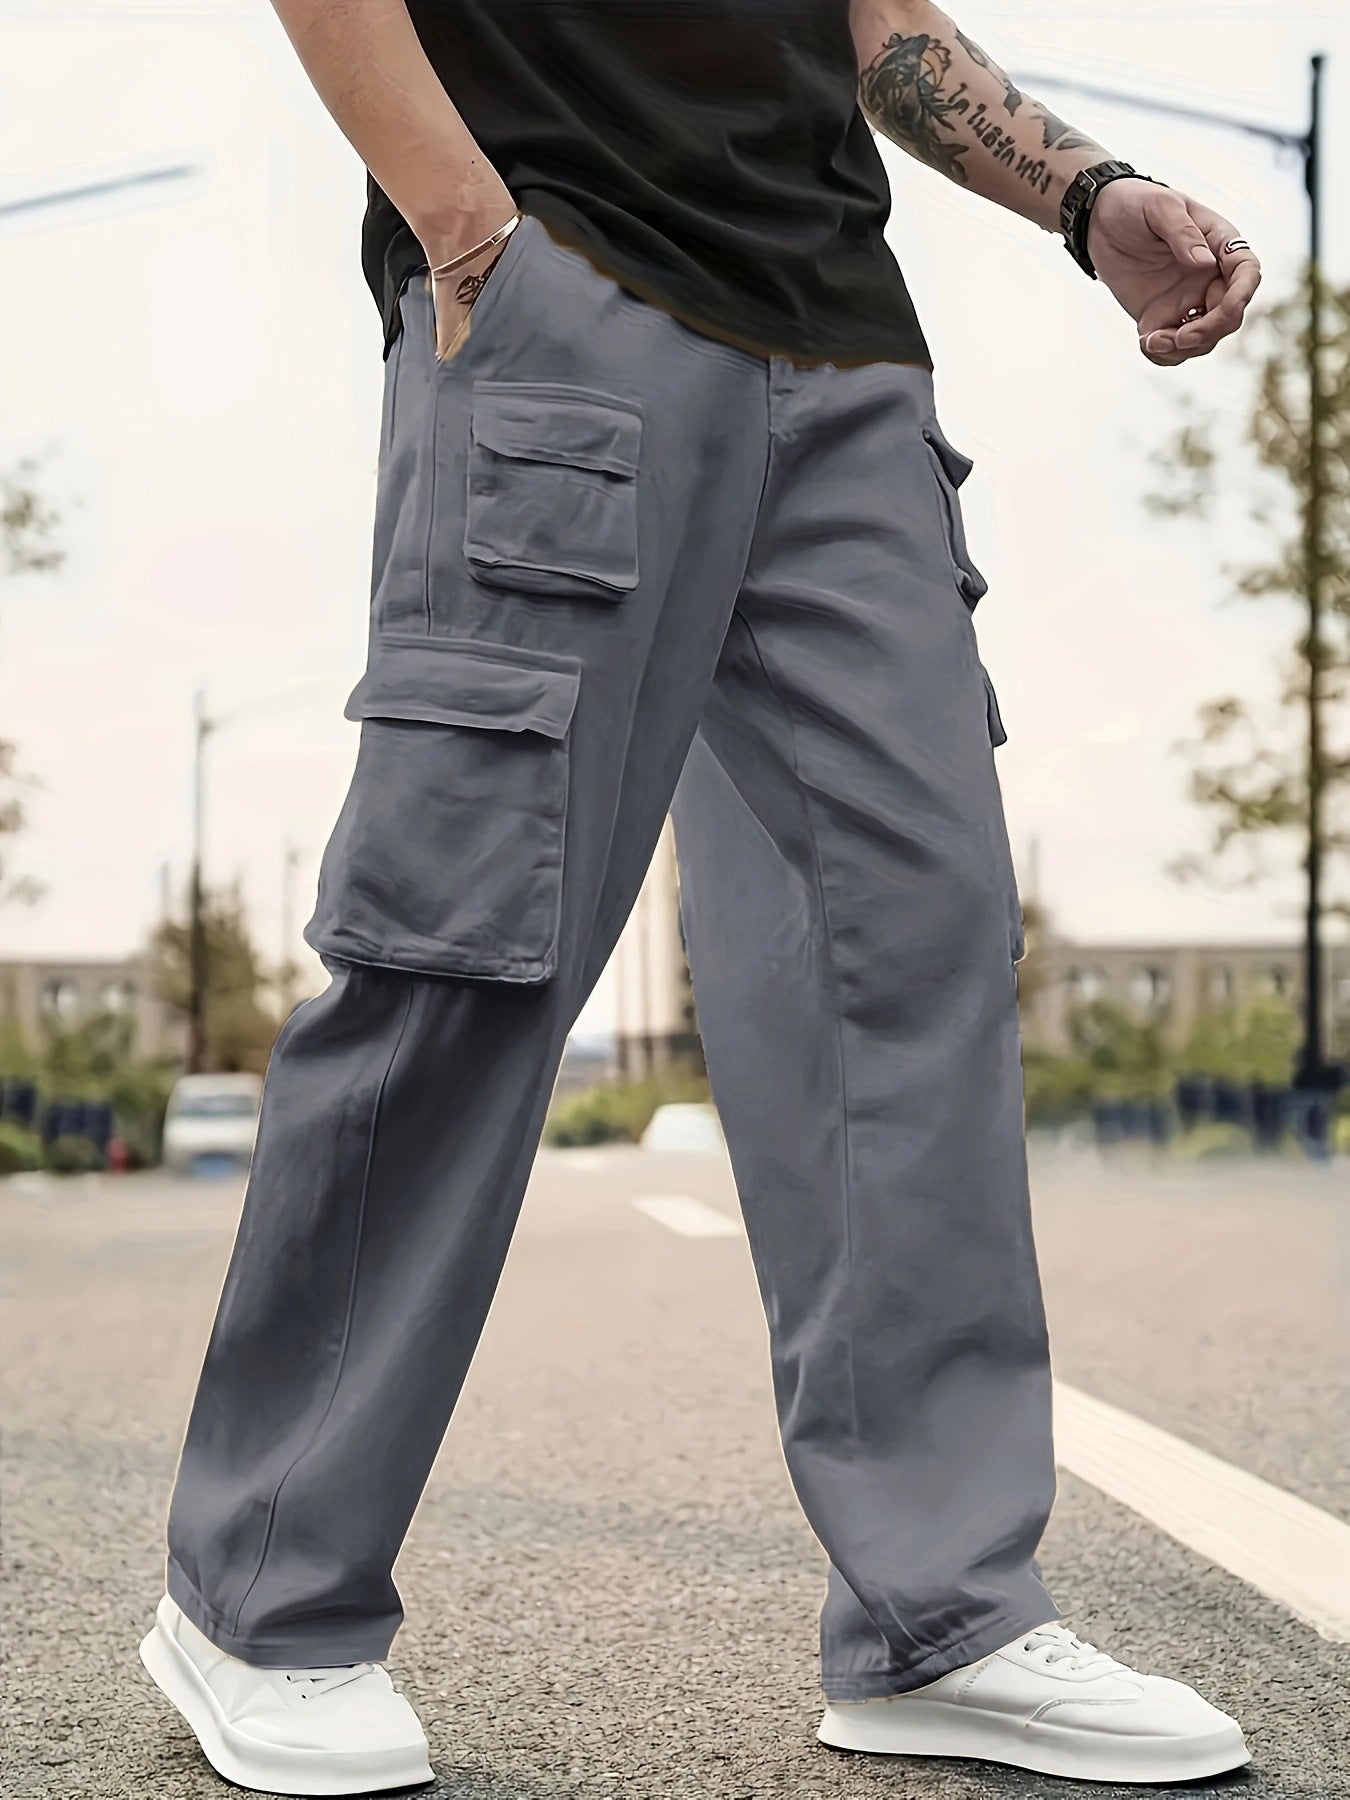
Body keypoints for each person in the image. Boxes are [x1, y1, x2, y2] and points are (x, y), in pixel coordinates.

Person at [138, 2, 1262, 1792]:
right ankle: (261, 1595)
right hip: (563, 284)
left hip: (845, 359)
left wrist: (1084, 196)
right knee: (469, 939)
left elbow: (876, 22)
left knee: (910, 955)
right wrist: (464, 228)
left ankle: (939, 1619)